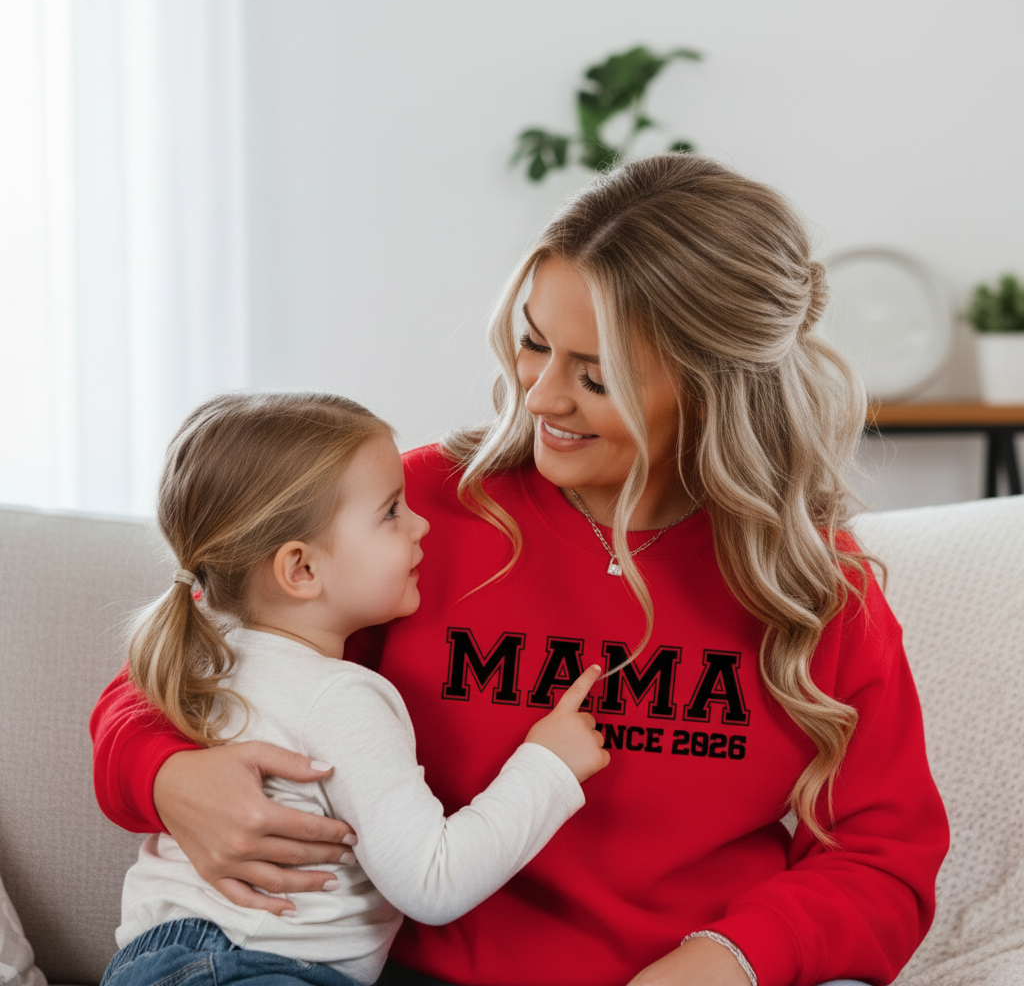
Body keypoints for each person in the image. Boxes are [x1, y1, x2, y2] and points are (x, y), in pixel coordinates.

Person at [92, 153, 949, 986]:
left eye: (596, 377)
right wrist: (164, 776)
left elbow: (883, 861)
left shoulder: (810, 583)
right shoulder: (412, 514)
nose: (539, 396)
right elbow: (192, 663)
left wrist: (729, 962)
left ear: (712, 389)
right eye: (534, 343)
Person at [98, 392, 609, 986]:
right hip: (256, 966)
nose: (421, 524)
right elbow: (433, 882)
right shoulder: (340, 699)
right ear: (301, 570)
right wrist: (548, 766)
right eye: (391, 511)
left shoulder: (200, 650)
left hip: (152, 959)